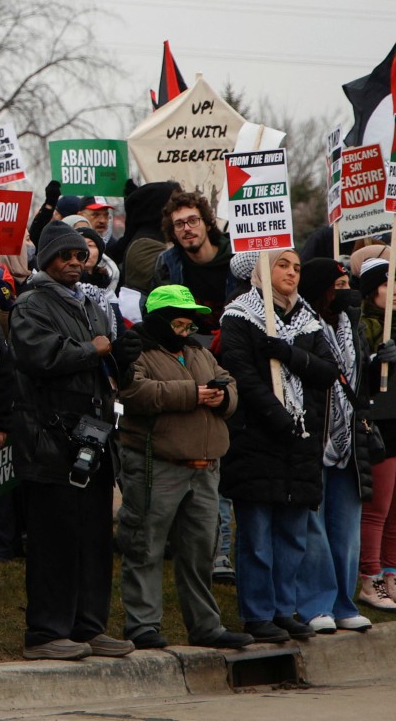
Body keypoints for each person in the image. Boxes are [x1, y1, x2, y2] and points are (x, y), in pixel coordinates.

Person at [10, 221, 132, 660]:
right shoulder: (31, 304)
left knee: (94, 539)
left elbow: (104, 356)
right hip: (48, 442)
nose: (74, 263)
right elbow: (37, 355)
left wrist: (117, 358)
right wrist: (93, 350)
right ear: (45, 260)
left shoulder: (91, 305)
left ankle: (88, 625)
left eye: (80, 256)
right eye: (65, 256)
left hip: (92, 439)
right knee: (54, 540)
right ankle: (45, 632)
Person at [112, 285, 254, 650]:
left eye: (190, 314)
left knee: (199, 552)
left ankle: (206, 627)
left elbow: (232, 385)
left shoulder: (199, 351)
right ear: (157, 316)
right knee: (144, 545)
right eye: (178, 313)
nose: (187, 321)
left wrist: (224, 396)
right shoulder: (135, 350)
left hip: (205, 469)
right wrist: (193, 393)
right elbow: (132, 393)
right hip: (155, 465)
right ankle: (142, 625)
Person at [219, 250, 337, 644]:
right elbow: (243, 377)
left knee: (292, 536)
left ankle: (284, 609)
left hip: (300, 446)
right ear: (261, 270)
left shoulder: (309, 321)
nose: (291, 272)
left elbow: (326, 372)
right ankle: (257, 613)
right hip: (257, 441)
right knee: (256, 536)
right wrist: (279, 418)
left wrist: (287, 352)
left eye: (297, 267)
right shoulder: (238, 316)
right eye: (282, 264)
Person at [296, 257, 375, 633]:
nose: (347, 293)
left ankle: (344, 603)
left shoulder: (352, 326)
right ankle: (316, 604)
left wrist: (376, 362)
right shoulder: (302, 325)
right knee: (314, 528)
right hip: (315, 437)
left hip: (348, 442)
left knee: (346, 529)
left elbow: (358, 383)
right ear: (321, 289)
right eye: (339, 287)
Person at [357, 258, 396, 611]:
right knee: (377, 508)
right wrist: (374, 361)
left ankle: (391, 573)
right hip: (379, 424)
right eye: (388, 283)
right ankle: (369, 579)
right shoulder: (363, 325)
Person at [155, 192, 236, 344]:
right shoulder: (167, 264)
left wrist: (229, 334)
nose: (187, 228)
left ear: (208, 224)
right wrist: (196, 342)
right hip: (191, 346)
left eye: (193, 221)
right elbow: (164, 316)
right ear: (173, 232)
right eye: (179, 224)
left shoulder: (237, 258)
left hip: (235, 342)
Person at [115, 181, 178, 294]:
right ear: (158, 209)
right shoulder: (145, 245)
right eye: (174, 205)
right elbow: (171, 282)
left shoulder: (160, 238)